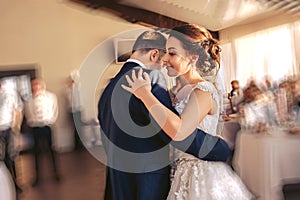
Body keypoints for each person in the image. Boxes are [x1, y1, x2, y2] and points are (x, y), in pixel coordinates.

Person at [122, 24, 253, 199]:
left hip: (202, 175)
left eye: (172, 53)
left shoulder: (203, 91)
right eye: (166, 52)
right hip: (182, 172)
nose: (164, 58)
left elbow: (180, 132)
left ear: (192, 58)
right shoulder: (181, 91)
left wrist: (145, 95)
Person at [98, 30, 232, 200]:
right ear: (154, 54)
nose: (165, 62)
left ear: (192, 57)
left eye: (172, 53)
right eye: (164, 55)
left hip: (122, 176)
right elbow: (176, 133)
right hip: (150, 176)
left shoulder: (109, 88)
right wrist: (219, 148)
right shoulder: (151, 79)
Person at [24, 78, 60, 186]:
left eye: (36, 85)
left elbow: (55, 110)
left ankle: (55, 173)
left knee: (51, 150)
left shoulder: (51, 97)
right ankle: (37, 177)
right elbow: (28, 113)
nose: (35, 88)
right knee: (36, 153)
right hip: (35, 128)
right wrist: (33, 122)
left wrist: (50, 120)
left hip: (47, 126)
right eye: (33, 86)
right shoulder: (29, 100)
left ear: (41, 86)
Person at [0, 78, 23, 193]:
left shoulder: (10, 94)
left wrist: (16, 127)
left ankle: (15, 183)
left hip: (8, 129)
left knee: (11, 156)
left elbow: (18, 109)